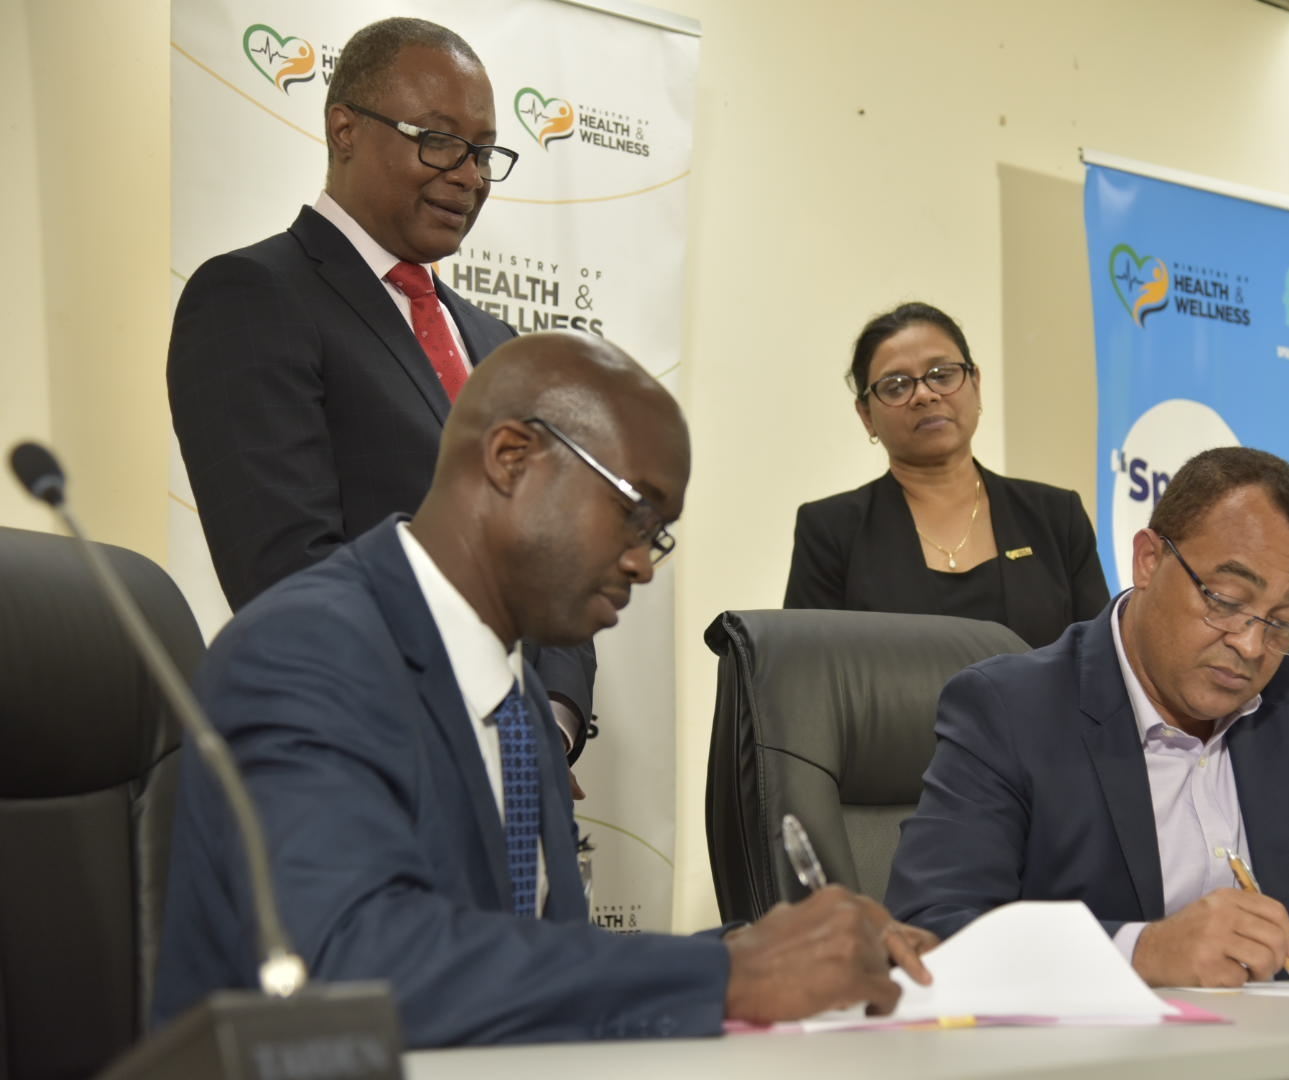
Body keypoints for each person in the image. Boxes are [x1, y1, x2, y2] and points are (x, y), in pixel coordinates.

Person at [153, 332, 936, 1045]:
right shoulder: (307, 650)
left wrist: (764, 950)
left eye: (657, 534)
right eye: (634, 514)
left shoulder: (517, 698)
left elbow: (530, 969)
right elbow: (346, 968)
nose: (643, 563)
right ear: (511, 457)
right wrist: (729, 975)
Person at [885, 447, 1289, 986]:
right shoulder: (1010, 709)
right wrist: (1141, 952)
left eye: (1285, 622)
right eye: (1226, 600)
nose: (1251, 645)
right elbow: (931, 931)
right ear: (1148, 560)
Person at [167, 17, 594, 756]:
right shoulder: (253, 297)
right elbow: (288, 575)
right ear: (345, 129)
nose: (469, 175)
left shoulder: (500, 345)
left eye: (484, 152)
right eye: (439, 140)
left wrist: (550, 722)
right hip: (364, 760)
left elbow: (551, 555)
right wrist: (463, 736)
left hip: (524, 771)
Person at [784, 302, 1109, 648]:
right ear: (866, 415)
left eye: (942, 375)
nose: (924, 395)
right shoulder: (831, 532)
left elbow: (1098, 659)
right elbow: (808, 668)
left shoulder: (1056, 516)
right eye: (896, 386)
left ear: (975, 384)